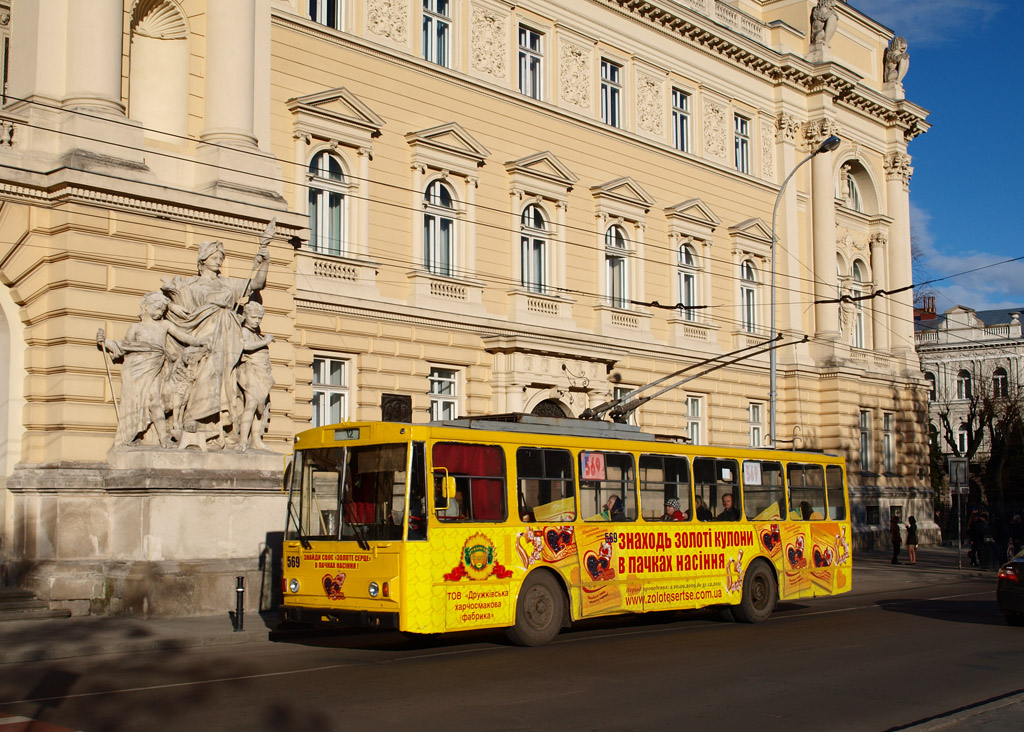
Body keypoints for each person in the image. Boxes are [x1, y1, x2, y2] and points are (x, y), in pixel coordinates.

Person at [161, 233, 270, 447]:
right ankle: (194, 416)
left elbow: (257, 282)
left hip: (228, 336)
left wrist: (265, 260)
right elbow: (167, 306)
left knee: (224, 378)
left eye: (221, 257)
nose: (218, 260)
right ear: (203, 260)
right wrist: (173, 306)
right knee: (204, 370)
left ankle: (219, 425)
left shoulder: (228, 284)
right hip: (203, 333)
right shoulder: (190, 285)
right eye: (214, 256)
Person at [96, 291, 207, 448]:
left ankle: (163, 438)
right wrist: (105, 342)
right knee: (133, 401)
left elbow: (182, 336)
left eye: (163, 309)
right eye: (157, 307)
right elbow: (123, 346)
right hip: (135, 368)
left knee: (155, 401)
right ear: (146, 306)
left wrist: (198, 342)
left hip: (155, 367)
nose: (161, 311)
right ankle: (130, 435)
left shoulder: (164, 325)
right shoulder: (135, 327)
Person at [236, 301, 274, 452]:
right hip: (250, 371)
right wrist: (265, 341)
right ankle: (242, 440)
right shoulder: (244, 332)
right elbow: (244, 346)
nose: (257, 321)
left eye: (260, 318)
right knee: (251, 404)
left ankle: (256, 440)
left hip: (262, 374)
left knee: (261, 409)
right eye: (254, 317)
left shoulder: (256, 335)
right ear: (245, 316)